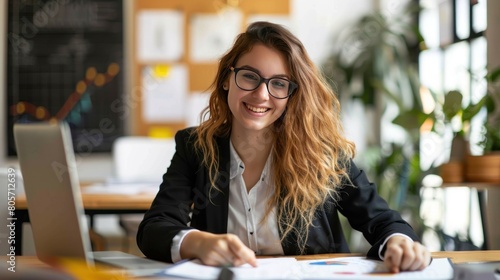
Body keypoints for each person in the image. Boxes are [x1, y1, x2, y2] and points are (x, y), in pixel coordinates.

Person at [137, 21, 431, 273]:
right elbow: (154, 228)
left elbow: (383, 220)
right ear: (228, 78)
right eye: (250, 76)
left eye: (279, 84)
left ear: (292, 94)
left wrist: (399, 243)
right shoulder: (195, 148)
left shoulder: (321, 151)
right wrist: (197, 242)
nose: (261, 94)